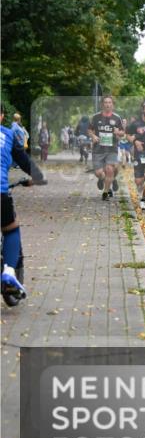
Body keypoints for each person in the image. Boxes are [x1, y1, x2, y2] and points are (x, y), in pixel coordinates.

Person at [1, 108, 46, 300]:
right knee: (11, 229)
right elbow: (23, 160)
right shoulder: (7, 134)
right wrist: (38, 177)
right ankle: (9, 273)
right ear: (2, 116)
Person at [89, 96, 127, 201]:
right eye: (105, 102)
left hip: (111, 149)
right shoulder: (96, 117)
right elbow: (90, 130)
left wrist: (118, 132)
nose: (107, 104)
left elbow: (123, 132)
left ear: (112, 104)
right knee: (98, 172)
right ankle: (107, 180)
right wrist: (93, 136)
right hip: (98, 149)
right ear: (102, 104)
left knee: (109, 169)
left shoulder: (117, 118)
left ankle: (105, 192)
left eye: (109, 102)